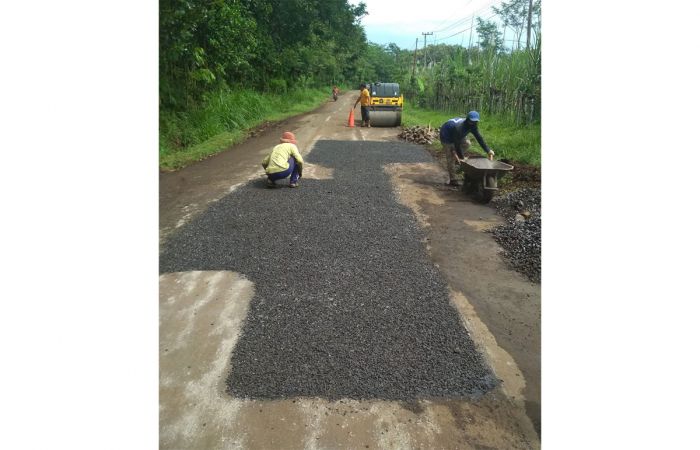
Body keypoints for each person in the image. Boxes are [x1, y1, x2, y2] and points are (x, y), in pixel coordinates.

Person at [438, 111, 495, 186]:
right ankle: (453, 180)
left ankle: (457, 158)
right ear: (467, 119)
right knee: (451, 157)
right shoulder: (459, 127)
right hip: (446, 136)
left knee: (467, 143)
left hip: (457, 134)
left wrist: (488, 150)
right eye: (471, 121)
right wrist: (461, 157)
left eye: (475, 121)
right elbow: (457, 144)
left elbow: (479, 138)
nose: (473, 123)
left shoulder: (473, 126)